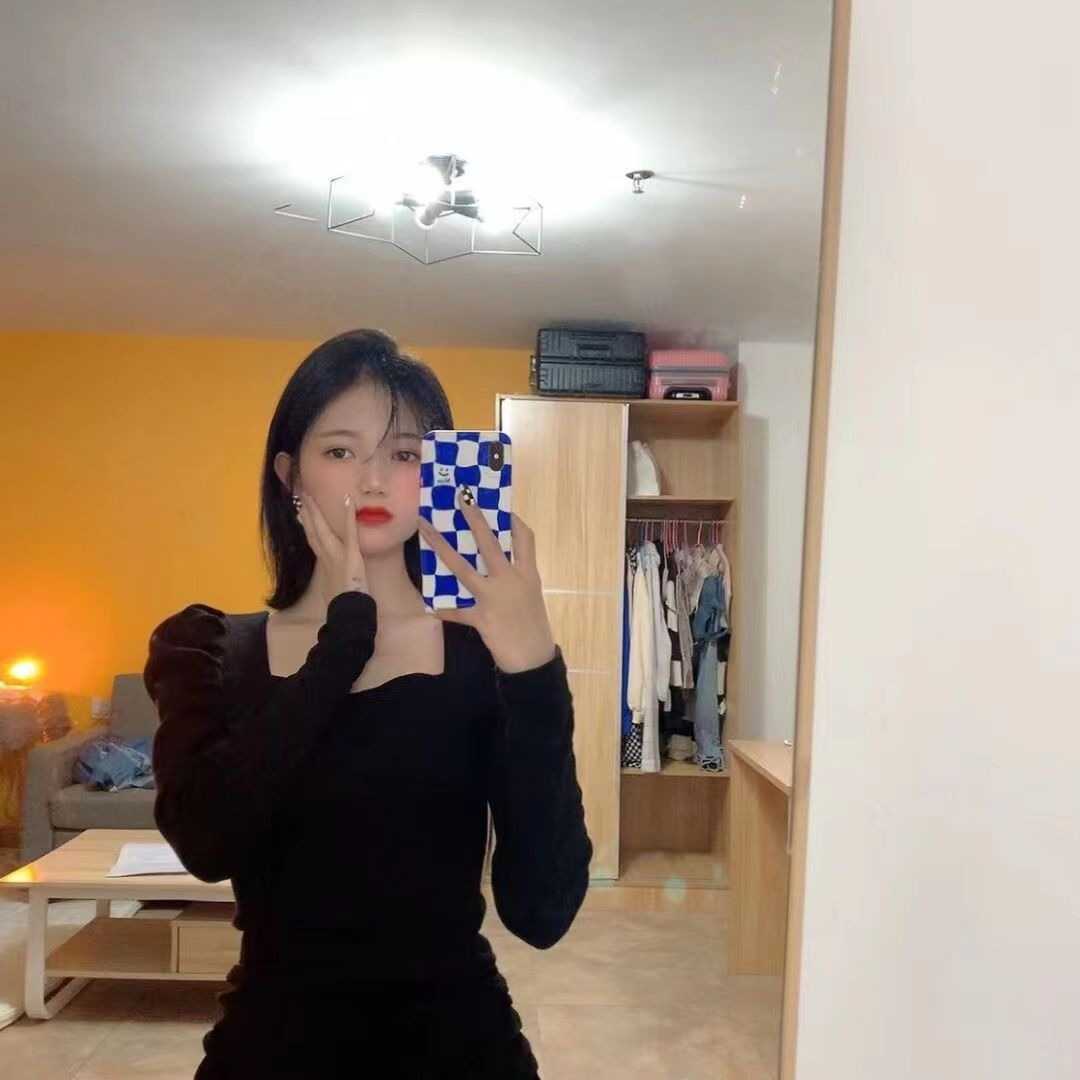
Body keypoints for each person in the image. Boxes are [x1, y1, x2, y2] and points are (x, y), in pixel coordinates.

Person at [142, 328, 593, 1078]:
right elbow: (207, 844)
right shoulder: (209, 651)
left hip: (461, 1048)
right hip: (272, 1049)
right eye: (341, 451)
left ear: (437, 472)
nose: (374, 480)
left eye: (405, 454)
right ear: (290, 473)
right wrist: (342, 640)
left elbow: (543, 910)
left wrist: (534, 669)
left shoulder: (482, 655)